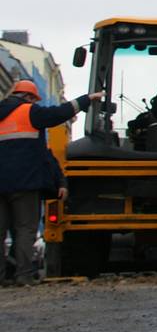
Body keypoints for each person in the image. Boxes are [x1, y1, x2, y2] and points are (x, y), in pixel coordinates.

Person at [0, 80, 103, 287]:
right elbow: (58, 114)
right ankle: (23, 276)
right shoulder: (28, 112)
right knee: (25, 229)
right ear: (29, 98)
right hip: (24, 184)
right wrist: (85, 100)